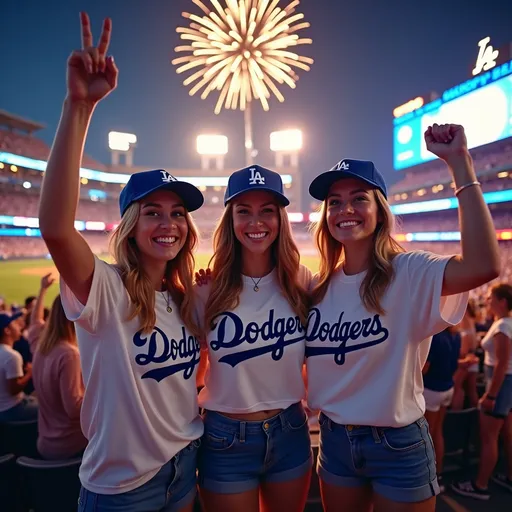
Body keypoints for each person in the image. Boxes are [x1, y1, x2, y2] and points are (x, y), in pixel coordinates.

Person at [38, 12, 204, 512]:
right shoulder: (104, 290)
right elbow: (56, 227)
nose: (168, 223)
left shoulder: (183, 298)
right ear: (129, 226)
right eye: (152, 212)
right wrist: (79, 108)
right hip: (122, 490)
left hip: (186, 466)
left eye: (177, 213)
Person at [305, 123, 500, 512]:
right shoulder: (317, 288)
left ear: (380, 211)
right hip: (336, 441)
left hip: (398, 442)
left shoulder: (410, 272)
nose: (345, 210)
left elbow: (483, 264)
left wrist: (460, 163)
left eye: (359, 199)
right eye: (335, 202)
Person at [196, 165, 312, 512]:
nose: (255, 222)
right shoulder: (207, 289)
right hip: (224, 436)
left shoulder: (301, 281)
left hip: (290, 429)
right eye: (243, 211)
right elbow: (190, 367)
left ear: (280, 220)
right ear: (230, 220)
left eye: (267, 211)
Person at [452, 283, 512, 500]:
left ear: (502, 302)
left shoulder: (503, 327)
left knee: (489, 437)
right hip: (506, 386)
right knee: (505, 434)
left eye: (490, 298)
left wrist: (492, 395)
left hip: (500, 386)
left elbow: (502, 363)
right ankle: (508, 477)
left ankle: (480, 485)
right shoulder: (505, 324)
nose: (487, 301)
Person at [32, 294, 87, 460]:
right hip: (69, 446)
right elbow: (74, 409)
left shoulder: (42, 347)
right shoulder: (69, 354)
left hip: (46, 442)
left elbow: (35, 324)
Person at [422, 327, 477, 491]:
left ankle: (428, 477)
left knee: (427, 435)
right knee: (437, 432)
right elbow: (453, 363)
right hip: (447, 388)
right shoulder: (456, 335)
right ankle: (437, 475)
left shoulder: (434, 336)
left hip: (432, 390)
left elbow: (425, 368)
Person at [0, 312, 38, 422]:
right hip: (10, 409)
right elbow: (14, 389)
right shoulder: (12, 356)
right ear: (7, 330)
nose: (19, 326)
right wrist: (29, 374)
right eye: (15, 324)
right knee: (48, 410)